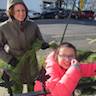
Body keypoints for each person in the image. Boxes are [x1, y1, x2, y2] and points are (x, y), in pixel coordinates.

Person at [0, 0, 50, 94]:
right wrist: (9, 59)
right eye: (17, 11)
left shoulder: (33, 25)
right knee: (16, 89)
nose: (21, 13)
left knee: (33, 88)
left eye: (23, 10)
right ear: (11, 12)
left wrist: (43, 44)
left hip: (31, 63)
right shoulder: (3, 28)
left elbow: (39, 39)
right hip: (15, 64)